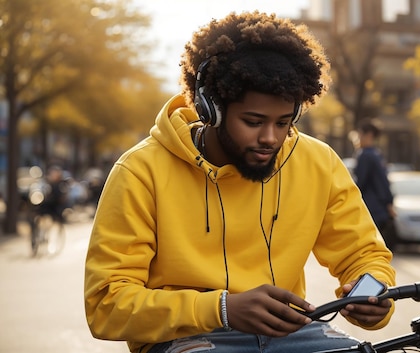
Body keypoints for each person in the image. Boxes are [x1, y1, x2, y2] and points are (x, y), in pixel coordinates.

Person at [84, 11, 396, 353]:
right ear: (211, 109)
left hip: (288, 334)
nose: (270, 138)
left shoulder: (317, 162)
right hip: (186, 336)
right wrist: (222, 309)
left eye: (283, 122)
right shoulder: (140, 171)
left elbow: (363, 254)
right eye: (253, 121)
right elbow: (106, 306)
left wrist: (374, 293)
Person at [353, 121, 395, 237]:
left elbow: (359, 184)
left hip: (370, 208)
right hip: (380, 209)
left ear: (369, 135)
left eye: (360, 135)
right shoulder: (377, 154)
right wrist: (389, 202)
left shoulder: (365, 155)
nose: (357, 139)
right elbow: (384, 183)